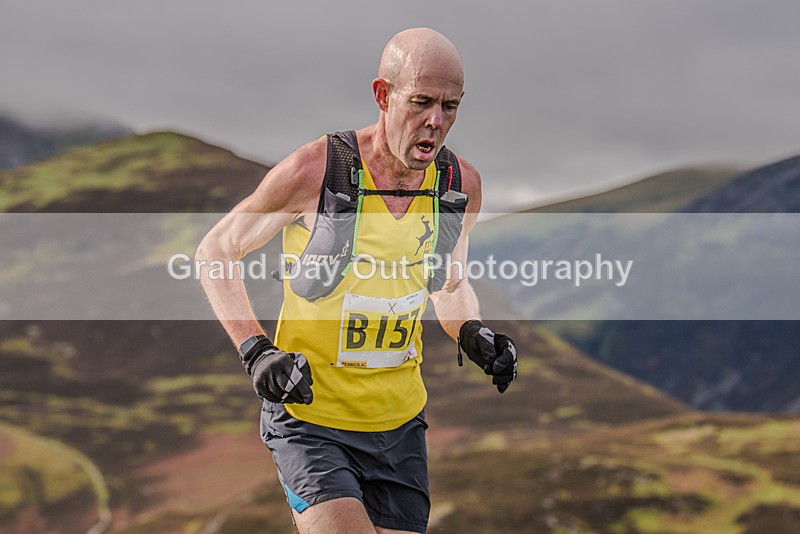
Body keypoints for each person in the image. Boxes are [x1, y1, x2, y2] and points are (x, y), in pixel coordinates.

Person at [196, 27, 518, 534]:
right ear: (383, 95)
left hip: (399, 425)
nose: (436, 121)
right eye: (422, 102)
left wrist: (473, 332)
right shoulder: (318, 171)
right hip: (311, 419)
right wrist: (256, 350)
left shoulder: (459, 187)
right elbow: (216, 250)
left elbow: (449, 285)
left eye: (451, 106)